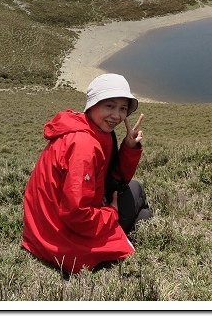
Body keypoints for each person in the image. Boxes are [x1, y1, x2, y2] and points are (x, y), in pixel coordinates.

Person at [21, 73, 152, 274]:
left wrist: (128, 148)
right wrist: (111, 213)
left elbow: (113, 179)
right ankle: (121, 242)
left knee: (135, 189)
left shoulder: (91, 129)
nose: (117, 116)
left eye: (123, 108)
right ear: (93, 104)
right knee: (143, 212)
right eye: (109, 106)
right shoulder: (84, 145)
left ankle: (122, 232)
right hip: (60, 240)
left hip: (42, 230)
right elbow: (76, 214)